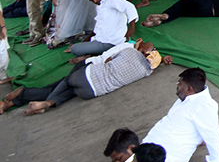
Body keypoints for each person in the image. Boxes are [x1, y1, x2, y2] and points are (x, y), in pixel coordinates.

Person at [0, 39, 170, 115]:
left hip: (90, 69)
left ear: (140, 47)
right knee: (67, 90)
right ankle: (19, 101)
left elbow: (107, 59)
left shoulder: (128, 49)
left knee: (59, 85)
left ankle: (31, 98)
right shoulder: (145, 69)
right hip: (92, 85)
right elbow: (152, 63)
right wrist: (162, 61)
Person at [143, 67, 219, 162]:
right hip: (148, 147)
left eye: (180, 84)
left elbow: (213, 136)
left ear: (189, 89)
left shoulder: (204, 106)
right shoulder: (186, 97)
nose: (177, 86)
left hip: (166, 160)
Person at [71, 0, 138, 57]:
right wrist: (86, 40)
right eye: (92, 0)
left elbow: (129, 7)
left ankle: (94, 54)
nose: (95, 1)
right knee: (83, 40)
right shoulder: (101, 4)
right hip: (101, 38)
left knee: (74, 49)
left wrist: (131, 27)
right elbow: (98, 26)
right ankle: (95, 52)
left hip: (110, 41)